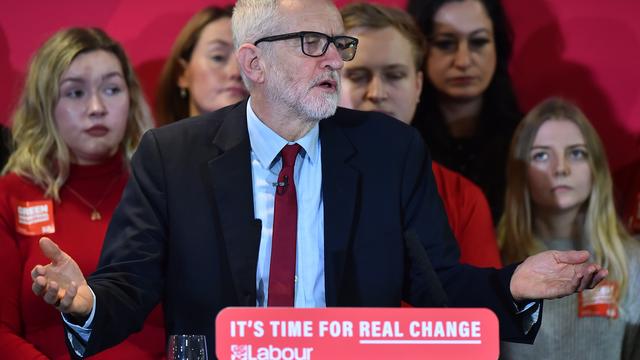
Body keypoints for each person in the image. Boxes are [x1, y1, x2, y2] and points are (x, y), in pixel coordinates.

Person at [30, 1, 606, 359]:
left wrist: (513, 287)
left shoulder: (389, 150)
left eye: (339, 44)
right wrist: (86, 304)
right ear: (253, 64)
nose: (336, 60)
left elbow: (440, 287)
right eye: (314, 44)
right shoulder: (171, 155)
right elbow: (128, 287)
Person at [0, 28, 165, 359]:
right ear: (46, 105)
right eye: (75, 93)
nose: (96, 107)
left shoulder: (164, 188)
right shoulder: (12, 193)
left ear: (131, 99)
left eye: (112, 89)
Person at [340, 2, 501, 268]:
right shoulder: (291, 186)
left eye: (394, 75)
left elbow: (480, 308)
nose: (377, 92)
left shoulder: (462, 198)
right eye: (358, 76)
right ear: (327, 82)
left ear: (417, 86)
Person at [498, 98, 640, 359]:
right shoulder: (495, 259)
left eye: (576, 153)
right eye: (541, 155)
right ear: (521, 173)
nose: (561, 169)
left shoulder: (631, 261)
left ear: (595, 169)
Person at [407, 0, 522, 222]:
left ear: (498, 47)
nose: (463, 61)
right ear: (420, 49)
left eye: (478, 42)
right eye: (446, 44)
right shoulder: (402, 137)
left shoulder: (524, 139)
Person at [155, 5, 249, 125]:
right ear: (182, 73)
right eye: (218, 57)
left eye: (247, 60)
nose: (236, 72)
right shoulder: (156, 142)